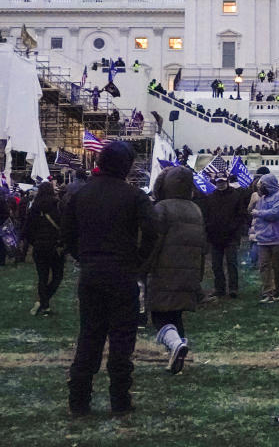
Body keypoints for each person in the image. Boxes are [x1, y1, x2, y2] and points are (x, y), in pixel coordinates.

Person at [63, 142, 157, 416]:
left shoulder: (81, 195)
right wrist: (139, 260)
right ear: (125, 166)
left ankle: (79, 401)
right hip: (122, 273)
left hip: (91, 273)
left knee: (89, 335)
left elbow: (67, 234)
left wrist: (84, 257)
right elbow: (152, 230)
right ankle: (120, 400)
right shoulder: (133, 196)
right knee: (121, 339)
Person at [148, 166, 206, 374]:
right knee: (176, 315)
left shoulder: (162, 208)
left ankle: (175, 346)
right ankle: (177, 358)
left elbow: (153, 242)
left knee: (159, 316)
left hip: (164, 271)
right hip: (189, 271)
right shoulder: (195, 209)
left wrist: (144, 267)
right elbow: (202, 245)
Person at [202, 175, 246, 298]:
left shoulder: (236, 196)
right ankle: (219, 288)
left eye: (222, 181)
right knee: (216, 265)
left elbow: (240, 215)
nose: (220, 184)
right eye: (218, 182)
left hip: (231, 236)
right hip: (215, 236)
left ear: (226, 181)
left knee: (231, 263)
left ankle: (233, 288)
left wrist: (234, 228)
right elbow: (207, 215)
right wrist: (209, 228)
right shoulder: (210, 197)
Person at [25, 183, 64, 315]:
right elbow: (63, 225)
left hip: (39, 246)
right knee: (57, 275)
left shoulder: (34, 208)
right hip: (54, 246)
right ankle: (44, 301)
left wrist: (34, 242)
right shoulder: (57, 206)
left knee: (42, 276)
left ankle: (44, 303)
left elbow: (27, 230)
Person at [253, 174, 279, 304]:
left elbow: (275, 214)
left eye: (261, 184)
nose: (259, 187)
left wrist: (259, 213)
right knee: (263, 265)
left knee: (276, 265)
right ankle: (267, 291)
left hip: (277, 236)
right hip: (263, 238)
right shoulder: (262, 198)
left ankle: (277, 290)